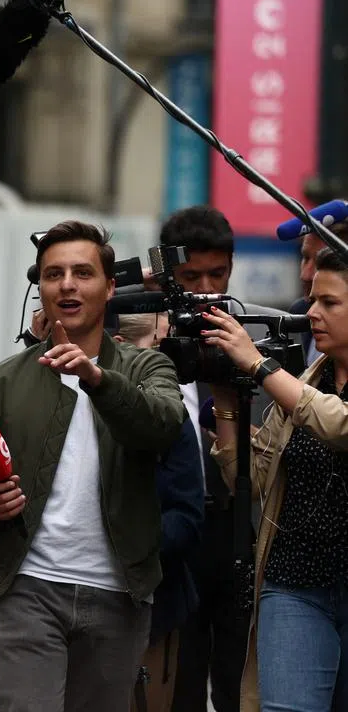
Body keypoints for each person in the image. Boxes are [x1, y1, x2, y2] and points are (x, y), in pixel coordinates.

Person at [0, 220, 186, 711]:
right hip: (27, 590)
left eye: (82, 273)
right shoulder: (2, 382)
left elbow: (162, 425)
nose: (67, 285)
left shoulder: (146, 367)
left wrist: (98, 378)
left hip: (119, 593)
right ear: (41, 289)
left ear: (110, 286)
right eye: (53, 274)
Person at [206, 246, 348, 711]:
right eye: (311, 298)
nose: (311, 313)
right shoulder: (310, 378)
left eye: (329, 302)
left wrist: (260, 366)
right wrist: (226, 397)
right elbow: (253, 478)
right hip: (295, 584)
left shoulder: (294, 386)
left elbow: (339, 424)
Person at [158, 205, 250, 712]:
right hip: (176, 534)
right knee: (181, 682)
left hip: (236, 531)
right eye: (191, 277)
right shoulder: (146, 339)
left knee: (238, 681)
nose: (207, 288)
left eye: (218, 274)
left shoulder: (247, 340)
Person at [112, 313, 205, 712]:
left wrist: (133, 546)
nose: (170, 356)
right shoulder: (73, 402)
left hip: (155, 603)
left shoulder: (173, 415)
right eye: (160, 342)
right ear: (121, 345)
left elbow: (188, 513)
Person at [289, 210, 348, 365]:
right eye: (305, 257)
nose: (305, 275)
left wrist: (258, 364)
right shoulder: (299, 313)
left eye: (329, 303)